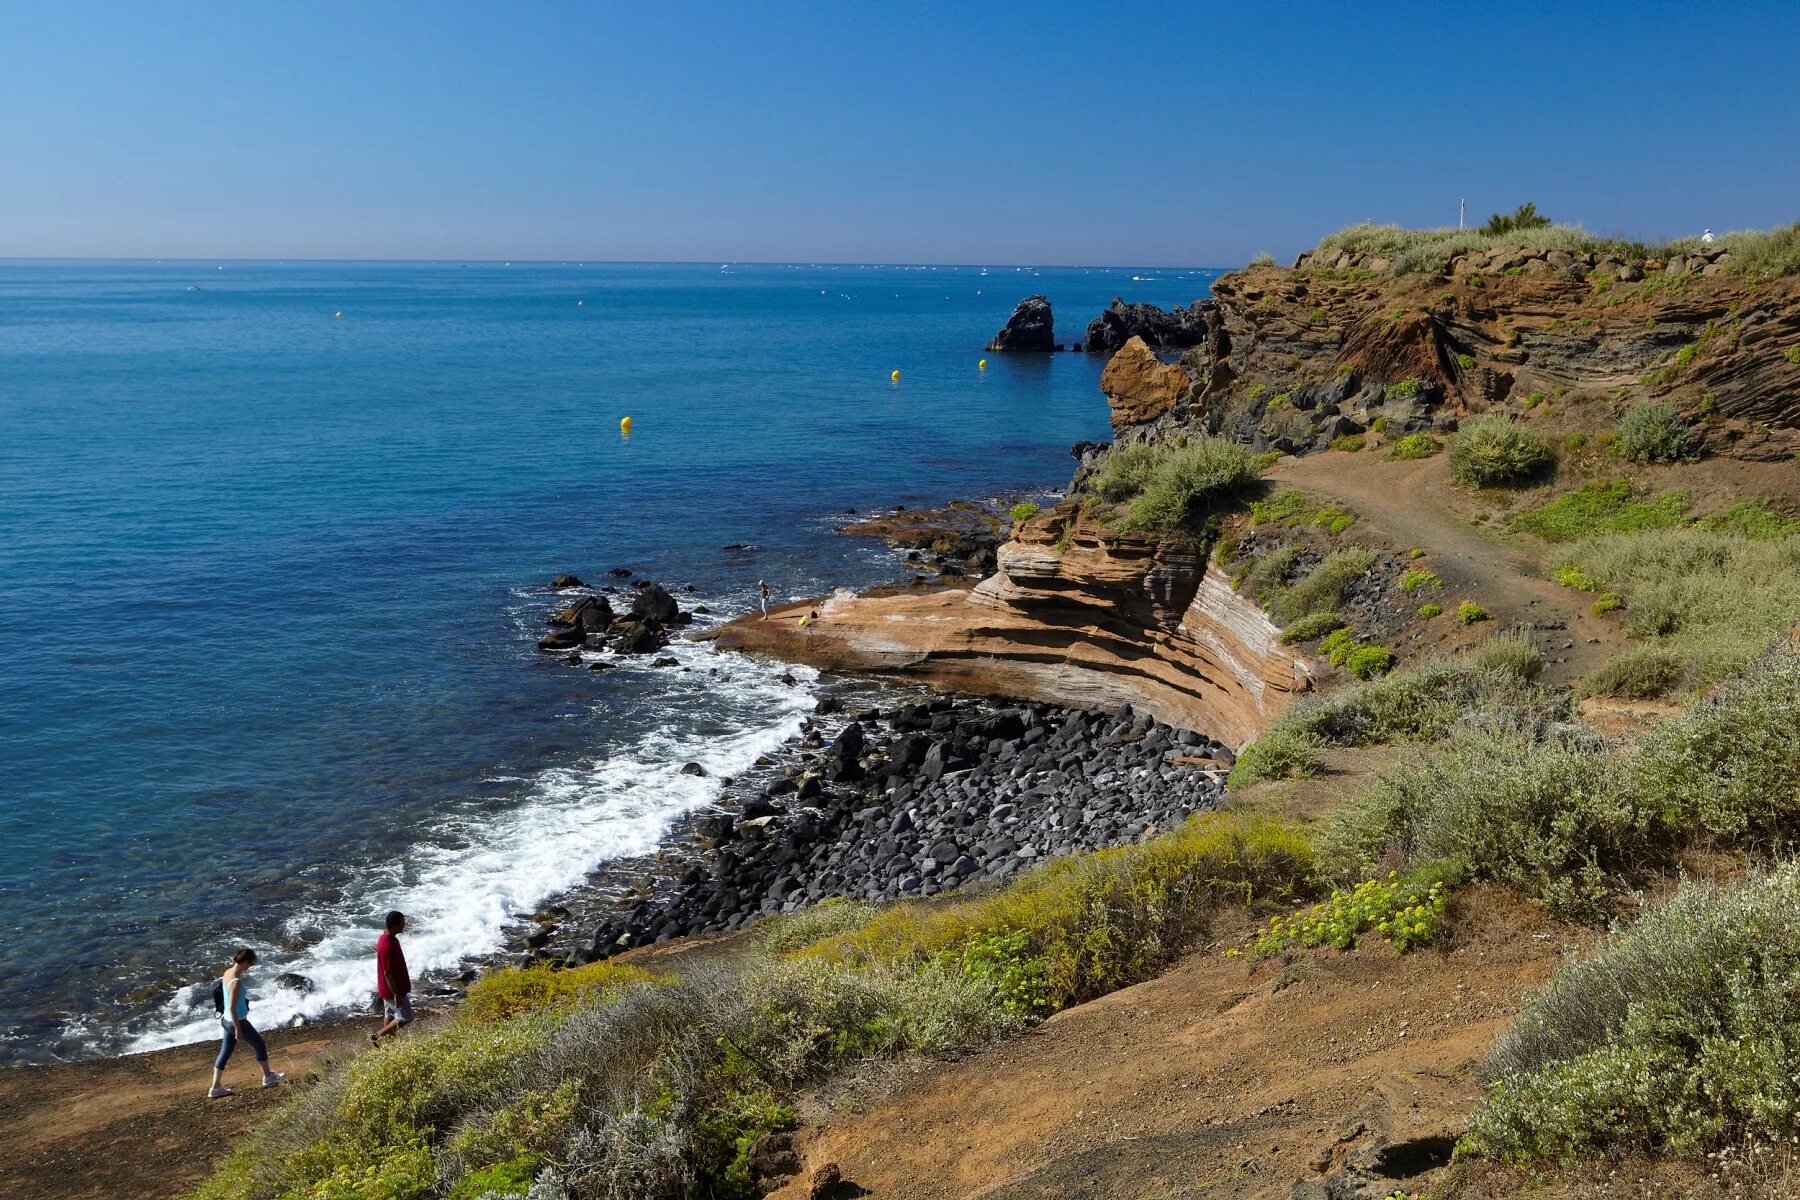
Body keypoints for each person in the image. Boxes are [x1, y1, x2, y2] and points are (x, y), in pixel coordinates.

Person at [207, 948, 284, 1098]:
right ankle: (268, 1076)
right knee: (259, 1044)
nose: (250, 967)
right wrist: (238, 1029)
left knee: (225, 1052)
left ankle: (215, 1087)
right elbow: (232, 1007)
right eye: (250, 964)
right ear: (245, 962)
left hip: (226, 1020)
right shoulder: (236, 982)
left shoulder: (227, 972)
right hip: (237, 1021)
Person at [371, 910, 413, 1044]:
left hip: (386, 988)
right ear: (395, 925)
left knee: (389, 1015)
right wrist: (397, 995)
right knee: (406, 1016)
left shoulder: (385, 938)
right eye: (402, 923)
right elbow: (388, 974)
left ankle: (388, 1044)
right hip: (393, 990)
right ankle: (377, 1036)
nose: (404, 925)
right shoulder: (388, 945)